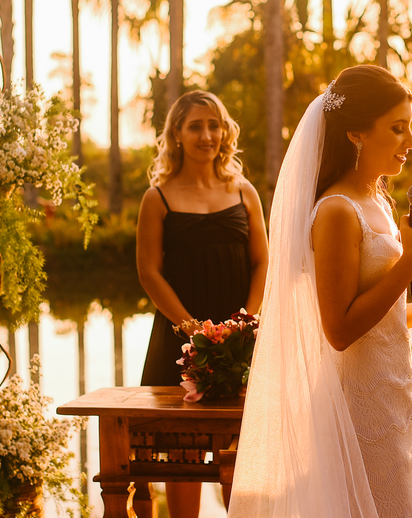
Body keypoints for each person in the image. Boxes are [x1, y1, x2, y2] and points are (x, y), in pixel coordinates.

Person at [229, 64, 412, 518]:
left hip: (392, 399)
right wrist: (411, 261)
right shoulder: (335, 212)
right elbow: (340, 329)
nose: (410, 143)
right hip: (353, 409)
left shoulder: (379, 203)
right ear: (356, 134)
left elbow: (381, 320)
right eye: (397, 128)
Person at [136, 90, 269, 518]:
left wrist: (246, 323)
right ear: (176, 134)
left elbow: (264, 261)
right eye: (195, 126)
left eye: (214, 125)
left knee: (243, 452)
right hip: (178, 341)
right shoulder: (157, 199)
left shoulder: (244, 191)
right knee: (182, 456)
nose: (206, 135)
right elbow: (149, 274)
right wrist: (192, 328)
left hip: (241, 341)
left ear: (224, 132)